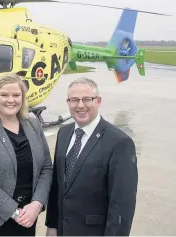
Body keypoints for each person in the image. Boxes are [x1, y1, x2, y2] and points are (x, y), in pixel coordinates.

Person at [45, 77, 138, 236]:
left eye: (87, 99)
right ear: (68, 102)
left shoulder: (120, 143)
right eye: (74, 100)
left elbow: (122, 205)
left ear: (98, 101)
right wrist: (52, 226)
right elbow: (58, 186)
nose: (80, 105)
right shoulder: (64, 133)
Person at [0, 73, 54, 236]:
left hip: (28, 217)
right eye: (4, 95)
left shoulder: (33, 124)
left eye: (16, 95)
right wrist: (14, 212)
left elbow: (46, 168)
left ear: (23, 98)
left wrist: (37, 203)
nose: (10, 100)